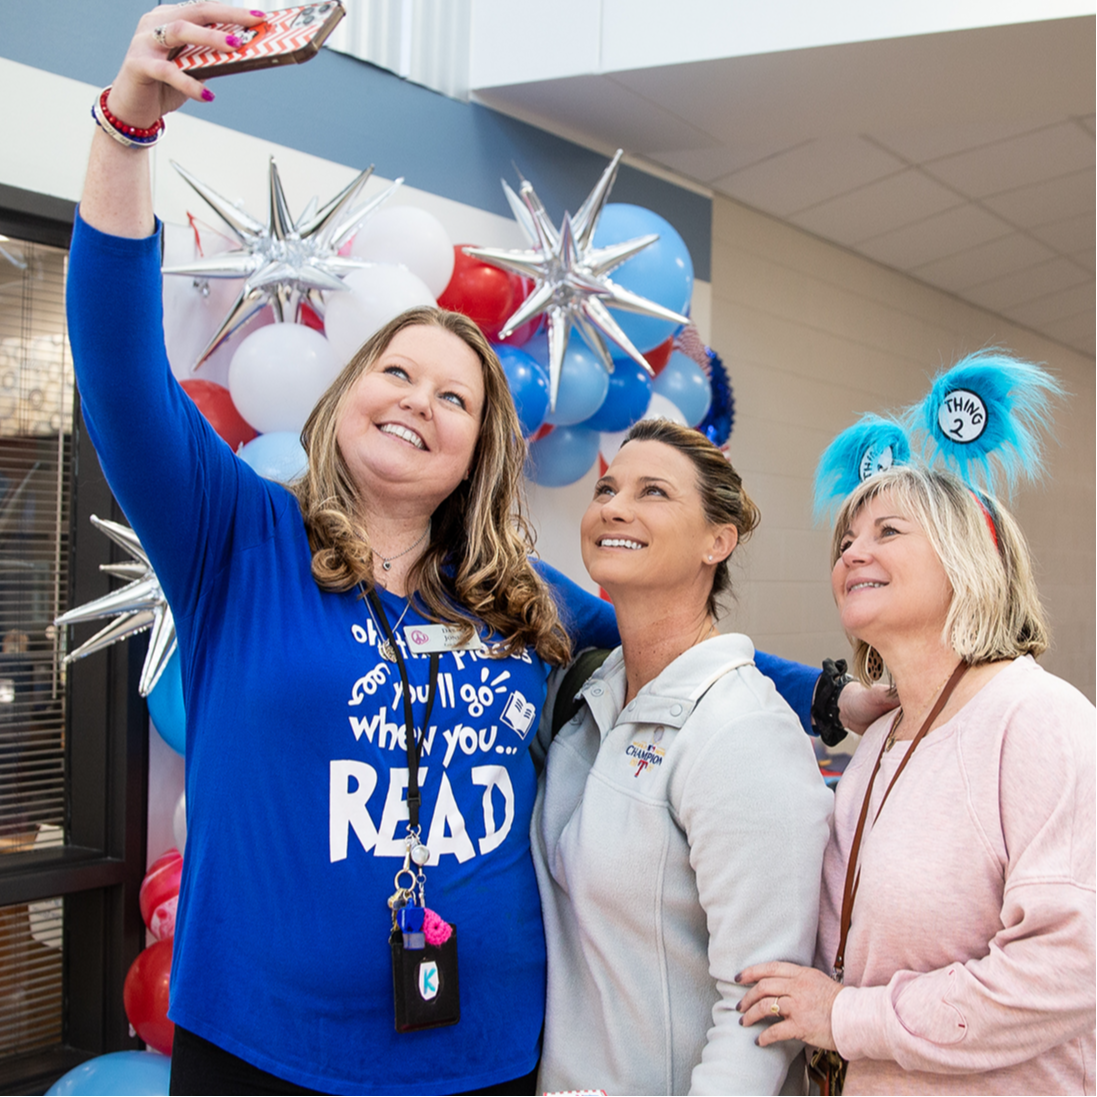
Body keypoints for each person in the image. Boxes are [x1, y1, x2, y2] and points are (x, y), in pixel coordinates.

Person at [68, 6, 886, 1093]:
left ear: (476, 451)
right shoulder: (235, 541)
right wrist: (128, 127)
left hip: (482, 1051)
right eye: (394, 372)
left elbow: (671, 654)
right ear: (339, 401)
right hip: (260, 1046)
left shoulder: (521, 597)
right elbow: (120, 368)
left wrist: (836, 698)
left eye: (453, 395)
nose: (418, 399)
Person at [738, 466, 1096, 1095]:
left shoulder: (1040, 720)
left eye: (888, 531)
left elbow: (1070, 967)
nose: (853, 551)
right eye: (847, 540)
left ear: (968, 560)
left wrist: (847, 1016)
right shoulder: (880, 737)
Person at [532, 419, 833, 1096]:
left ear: (716, 541)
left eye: (653, 492)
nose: (614, 505)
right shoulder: (586, 698)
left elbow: (762, 1011)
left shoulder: (741, 729)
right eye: (606, 487)